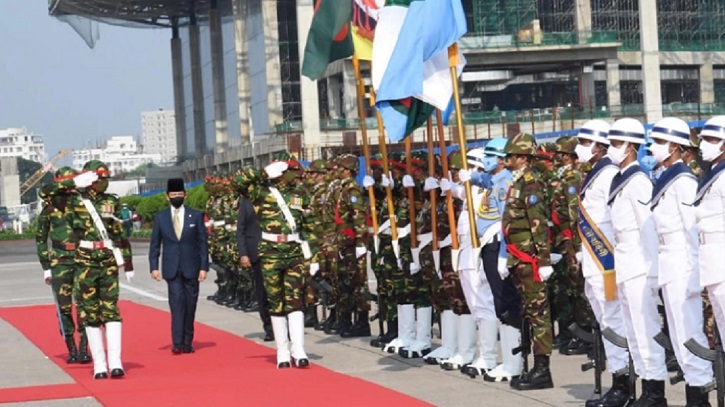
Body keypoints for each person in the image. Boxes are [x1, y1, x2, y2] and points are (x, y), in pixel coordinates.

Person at [41, 160, 134, 379]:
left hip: (107, 260)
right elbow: (43, 192)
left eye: (105, 179)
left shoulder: (111, 200)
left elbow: (119, 233)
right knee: (90, 312)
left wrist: (128, 263)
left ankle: (116, 362)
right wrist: (73, 182)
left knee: (111, 310)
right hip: (84, 260)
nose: (104, 182)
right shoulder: (71, 200)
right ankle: (100, 364)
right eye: (100, 178)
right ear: (90, 179)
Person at [649, 117, 712, 406]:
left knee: (690, 333)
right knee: (677, 335)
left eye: (659, 142)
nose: (654, 147)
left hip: (683, 264)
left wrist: (695, 275)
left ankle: (698, 398)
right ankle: (692, 392)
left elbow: (691, 230)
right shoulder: (667, 177)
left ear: (675, 146)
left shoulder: (684, 181)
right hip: (668, 262)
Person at [606, 118, 667, 405]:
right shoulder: (621, 178)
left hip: (640, 266)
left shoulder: (639, 181)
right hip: (625, 262)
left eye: (615, 144)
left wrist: (653, 273)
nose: (611, 149)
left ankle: (655, 393)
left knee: (646, 331)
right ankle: (645, 389)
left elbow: (648, 230)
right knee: (633, 332)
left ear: (630, 147)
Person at [575, 119, 632, 407]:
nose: (579, 148)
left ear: (600, 145)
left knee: (613, 322)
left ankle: (622, 384)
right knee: (605, 321)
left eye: (585, 143)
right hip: (594, 264)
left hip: (607, 265)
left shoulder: (609, 174)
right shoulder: (596, 174)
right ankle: (618, 379)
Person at [501, 132, 554, 391]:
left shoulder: (531, 184)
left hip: (530, 258)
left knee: (538, 313)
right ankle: (534, 365)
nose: (506, 160)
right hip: (518, 256)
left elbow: (538, 225)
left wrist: (543, 260)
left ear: (522, 157)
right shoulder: (519, 182)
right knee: (530, 312)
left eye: (510, 156)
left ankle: (542, 369)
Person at [259, 160, 313, 369]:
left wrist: (313, 256)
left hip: (293, 251)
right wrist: (263, 172)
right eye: (291, 172)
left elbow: (310, 225)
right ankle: (282, 350)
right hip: (270, 252)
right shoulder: (262, 193)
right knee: (276, 301)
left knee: (295, 300)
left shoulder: (300, 194)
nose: (296, 175)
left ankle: (298, 350)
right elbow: (238, 184)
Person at [36, 166, 92, 365]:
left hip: (81, 257)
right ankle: (71, 348)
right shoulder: (50, 207)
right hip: (59, 260)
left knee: (85, 305)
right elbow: (41, 239)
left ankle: (85, 347)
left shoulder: (82, 203)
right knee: (65, 307)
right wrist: (46, 267)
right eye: (66, 182)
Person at [149, 178, 209, 354]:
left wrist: (204, 267)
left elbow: (202, 243)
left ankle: (187, 341)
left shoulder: (196, 216)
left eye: (179, 194)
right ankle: (176, 342)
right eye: (173, 195)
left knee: (190, 306)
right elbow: (155, 244)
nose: (176, 197)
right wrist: (154, 267)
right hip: (171, 267)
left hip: (192, 267)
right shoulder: (160, 218)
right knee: (176, 305)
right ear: (167, 197)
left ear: (185, 195)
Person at [235, 166, 274, 342]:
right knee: (262, 293)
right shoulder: (246, 201)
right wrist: (243, 254)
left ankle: (284, 325)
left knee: (279, 292)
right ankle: (269, 328)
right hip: (256, 253)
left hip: (276, 251)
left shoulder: (274, 197)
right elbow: (240, 230)